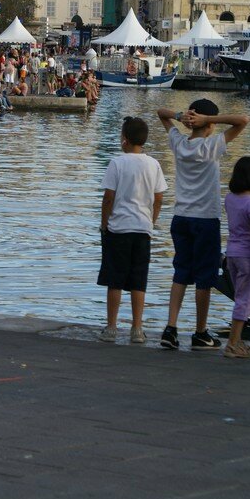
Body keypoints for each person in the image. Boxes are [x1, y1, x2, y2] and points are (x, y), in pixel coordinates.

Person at [157, 100, 249, 351]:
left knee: (180, 272)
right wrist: (210, 120)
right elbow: (242, 120)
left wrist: (180, 115)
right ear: (208, 124)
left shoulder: (178, 143)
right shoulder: (212, 145)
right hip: (206, 219)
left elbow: (161, 113)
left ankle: (171, 328)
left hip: (181, 217)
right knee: (204, 278)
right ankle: (200, 332)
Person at [98, 117, 167, 343]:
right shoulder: (154, 164)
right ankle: (137, 328)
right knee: (139, 279)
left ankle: (111, 327)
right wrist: (152, 221)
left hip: (118, 229)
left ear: (124, 140)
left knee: (115, 280)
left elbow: (108, 198)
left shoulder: (117, 163)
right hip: (143, 228)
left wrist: (104, 223)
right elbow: (158, 199)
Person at [223, 157, 250, 359]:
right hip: (247, 256)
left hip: (232, 254)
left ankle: (238, 341)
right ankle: (232, 344)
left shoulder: (230, 198)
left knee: (242, 297)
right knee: (244, 299)